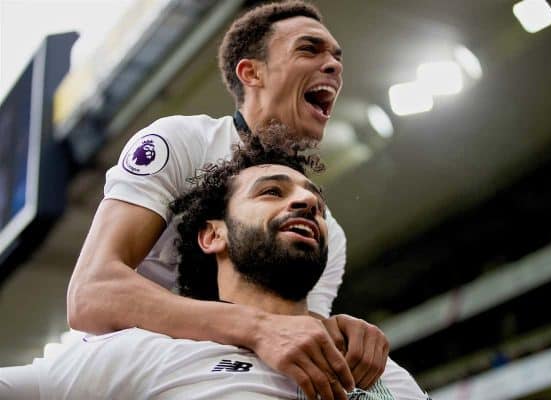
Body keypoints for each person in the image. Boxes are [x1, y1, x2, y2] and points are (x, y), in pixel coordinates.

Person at [66, 2, 390, 398]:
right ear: (251, 72)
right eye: (309, 49)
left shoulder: (325, 234)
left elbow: (291, 336)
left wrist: (340, 334)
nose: (335, 66)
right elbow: (91, 295)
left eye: (337, 57)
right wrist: (254, 326)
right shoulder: (181, 143)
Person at [0, 136, 429, 400]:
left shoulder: (379, 370)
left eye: (314, 199)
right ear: (213, 235)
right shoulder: (144, 354)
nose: (306, 202)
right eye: (271, 192)